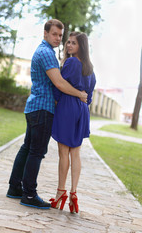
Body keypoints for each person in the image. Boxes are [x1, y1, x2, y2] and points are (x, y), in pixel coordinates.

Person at [6, 20, 88, 209]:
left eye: (61, 35)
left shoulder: (45, 51)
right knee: (36, 151)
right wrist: (80, 94)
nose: (59, 38)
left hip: (35, 106)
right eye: (55, 34)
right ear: (45, 34)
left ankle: (14, 187)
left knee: (27, 148)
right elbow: (59, 83)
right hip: (43, 108)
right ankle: (29, 194)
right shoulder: (47, 54)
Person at [49, 32, 96, 213]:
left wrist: (58, 102)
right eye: (68, 42)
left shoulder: (71, 63)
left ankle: (61, 192)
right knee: (75, 153)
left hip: (68, 107)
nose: (68, 45)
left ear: (81, 46)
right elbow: (89, 97)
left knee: (63, 153)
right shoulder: (91, 69)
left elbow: (59, 87)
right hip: (83, 110)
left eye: (73, 43)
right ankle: (74, 194)